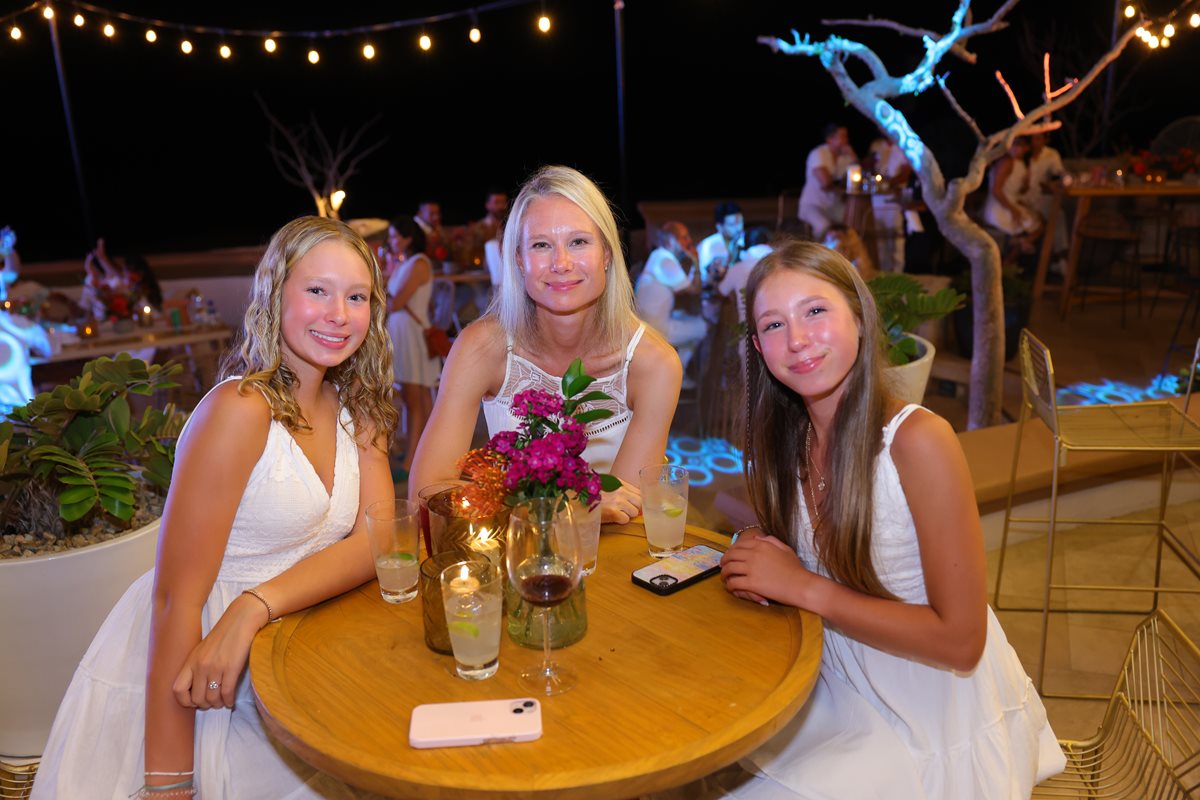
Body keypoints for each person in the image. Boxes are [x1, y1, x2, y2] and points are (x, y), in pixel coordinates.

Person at [31, 216, 397, 800]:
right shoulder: (239, 410)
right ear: (275, 293)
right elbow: (175, 600)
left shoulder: (360, 408)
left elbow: (378, 541)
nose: (338, 314)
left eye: (357, 297)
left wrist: (255, 606)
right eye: (317, 290)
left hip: (295, 648)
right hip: (201, 673)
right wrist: (169, 781)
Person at [700, 240, 1064, 799]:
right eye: (773, 325)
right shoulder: (793, 433)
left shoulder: (918, 441)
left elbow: (962, 641)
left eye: (815, 311)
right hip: (836, 682)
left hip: (923, 713)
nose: (797, 340)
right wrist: (756, 535)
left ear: (860, 317)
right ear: (757, 346)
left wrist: (801, 586)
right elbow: (806, 527)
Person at [408, 165, 681, 524]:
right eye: (541, 245)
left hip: (612, 552)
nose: (561, 263)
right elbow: (425, 493)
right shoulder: (481, 347)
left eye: (578, 242)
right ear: (519, 260)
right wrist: (573, 505)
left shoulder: (654, 364)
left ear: (607, 253)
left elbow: (627, 510)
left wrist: (517, 502)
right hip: (511, 550)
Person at [385, 216, 441, 480]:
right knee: (419, 398)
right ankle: (426, 454)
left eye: (395, 236)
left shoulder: (418, 263)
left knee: (414, 397)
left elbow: (396, 303)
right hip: (404, 332)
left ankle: (410, 463)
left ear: (408, 238)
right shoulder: (405, 263)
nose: (391, 241)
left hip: (411, 334)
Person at [635, 221, 706, 379]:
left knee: (686, 317)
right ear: (671, 240)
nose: (689, 241)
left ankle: (678, 372)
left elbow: (687, 286)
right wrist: (696, 261)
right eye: (684, 237)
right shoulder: (665, 261)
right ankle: (678, 375)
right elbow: (694, 290)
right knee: (703, 326)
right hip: (656, 329)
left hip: (648, 323)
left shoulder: (658, 255)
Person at [982, 137, 1041, 255]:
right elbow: (996, 190)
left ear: (1027, 148)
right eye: (1014, 144)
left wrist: (1026, 184)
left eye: (1020, 144)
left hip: (1009, 205)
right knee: (1033, 224)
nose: (1016, 147)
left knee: (1038, 221)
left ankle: (1021, 244)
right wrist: (1013, 210)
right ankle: (1020, 244)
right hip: (999, 208)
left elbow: (1017, 191)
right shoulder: (1006, 162)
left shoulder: (1021, 163)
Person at [799, 123, 858, 239]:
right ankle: (820, 250)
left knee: (853, 224)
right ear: (830, 139)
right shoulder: (818, 154)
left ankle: (846, 249)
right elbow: (825, 182)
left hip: (834, 206)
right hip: (813, 205)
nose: (846, 140)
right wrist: (842, 184)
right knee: (824, 226)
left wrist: (853, 156)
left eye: (846, 136)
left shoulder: (846, 157)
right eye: (842, 136)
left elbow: (858, 176)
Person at [868, 137, 914, 273]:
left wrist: (887, 183)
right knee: (880, 237)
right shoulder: (877, 146)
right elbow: (870, 168)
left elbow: (905, 173)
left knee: (895, 236)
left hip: (894, 200)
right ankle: (883, 271)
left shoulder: (903, 147)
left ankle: (898, 271)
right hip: (877, 199)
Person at [696, 201, 745, 292]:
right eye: (732, 224)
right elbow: (705, 279)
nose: (738, 228)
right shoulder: (709, 246)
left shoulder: (748, 240)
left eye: (740, 222)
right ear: (719, 226)